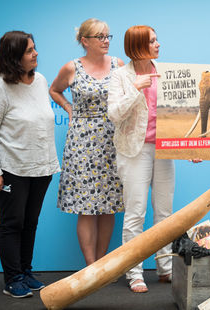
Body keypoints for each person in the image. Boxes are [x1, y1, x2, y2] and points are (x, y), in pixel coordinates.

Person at [0, 31, 61, 298]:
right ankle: (12, 278)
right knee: (12, 223)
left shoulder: (41, 81)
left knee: (30, 222)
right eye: (29, 51)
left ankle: (25, 271)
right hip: (12, 169)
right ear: (14, 57)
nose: (36, 53)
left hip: (42, 168)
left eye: (35, 48)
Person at [49, 18, 125, 267]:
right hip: (81, 143)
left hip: (112, 140)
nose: (106, 41)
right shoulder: (72, 68)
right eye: (100, 36)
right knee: (86, 206)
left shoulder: (118, 65)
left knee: (109, 204)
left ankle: (102, 264)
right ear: (85, 41)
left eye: (108, 36)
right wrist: (70, 109)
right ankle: (91, 266)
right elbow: (54, 90)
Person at [107, 25, 173, 293]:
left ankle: (165, 267)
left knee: (165, 214)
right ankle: (134, 273)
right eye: (153, 41)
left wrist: (187, 147)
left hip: (165, 149)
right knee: (136, 213)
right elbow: (114, 114)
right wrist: (134, 89)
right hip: (134, 151)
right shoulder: (120, 76)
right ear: (137, 46)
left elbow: (181, 112)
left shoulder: (166, 72)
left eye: (157, 40)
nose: (158, 44)